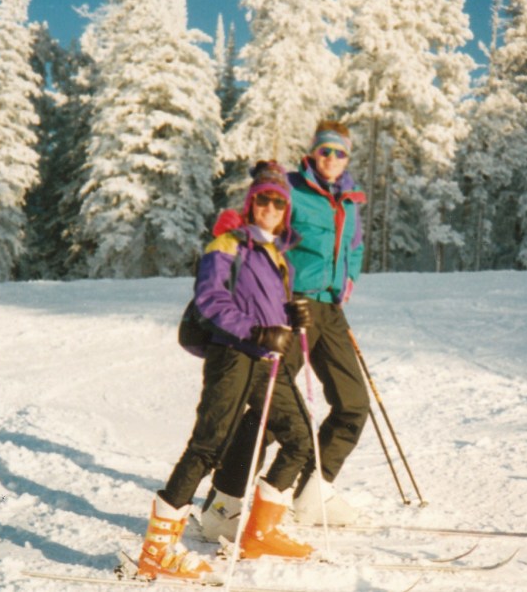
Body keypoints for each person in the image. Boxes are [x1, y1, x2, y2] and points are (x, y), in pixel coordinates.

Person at [137, 161, 316, 583]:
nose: (270, 207)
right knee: (208, 446)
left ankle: (260, 532)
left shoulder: (277, 256)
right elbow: (210, 299)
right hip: (233, 355)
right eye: (263, 200)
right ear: (251, 203)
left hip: (266, 361)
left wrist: (291, 315)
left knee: (300, 437)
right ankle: (157, 549)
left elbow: (268, 308)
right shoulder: (228, 245)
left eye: (278, 202)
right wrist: (256, 330)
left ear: (286, 211)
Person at [200, 120, 369, 541]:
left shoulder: (348, 200)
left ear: (348, 157)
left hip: (330, 310)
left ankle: (314, 491)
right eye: (325, 150)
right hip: (291, 307)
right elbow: (261, 222)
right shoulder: (292, 188)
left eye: (340, 152)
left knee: (353, 403)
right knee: (270, 412)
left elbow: (355, 246)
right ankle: (225, 501)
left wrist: (350, 279)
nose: (331, 159)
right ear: (313, 153)